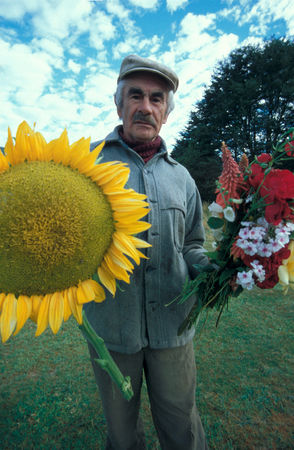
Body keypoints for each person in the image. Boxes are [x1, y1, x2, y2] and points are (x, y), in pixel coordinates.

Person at [84, 54, 209, 450]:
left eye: (157, 99)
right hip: (111, 329)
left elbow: (192, 243)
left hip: (173, 326)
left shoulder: (182, 177)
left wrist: (209, 269)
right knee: (121, 435)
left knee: (181, 428)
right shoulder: (85, 165)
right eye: (135, 95)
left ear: (167, 113)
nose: (145, 106)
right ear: (118, 104)